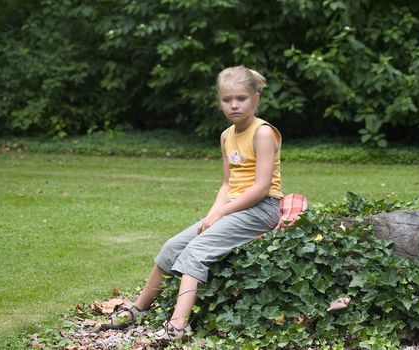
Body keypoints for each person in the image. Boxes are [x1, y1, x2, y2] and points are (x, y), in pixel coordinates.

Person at [101, 65, 284, 341]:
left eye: (241, 98)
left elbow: (260, 188)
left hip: (262, 208)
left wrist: (221, 212)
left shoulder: (263, 133)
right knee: (173, 246)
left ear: (256, 98)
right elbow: (227, 184)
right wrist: (212, 215)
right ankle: (138, 309)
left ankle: (177, 325)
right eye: (227, 100)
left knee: (196, 251)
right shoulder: (226, 136)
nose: (234, 105)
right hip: (234, 207)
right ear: (219, 101)